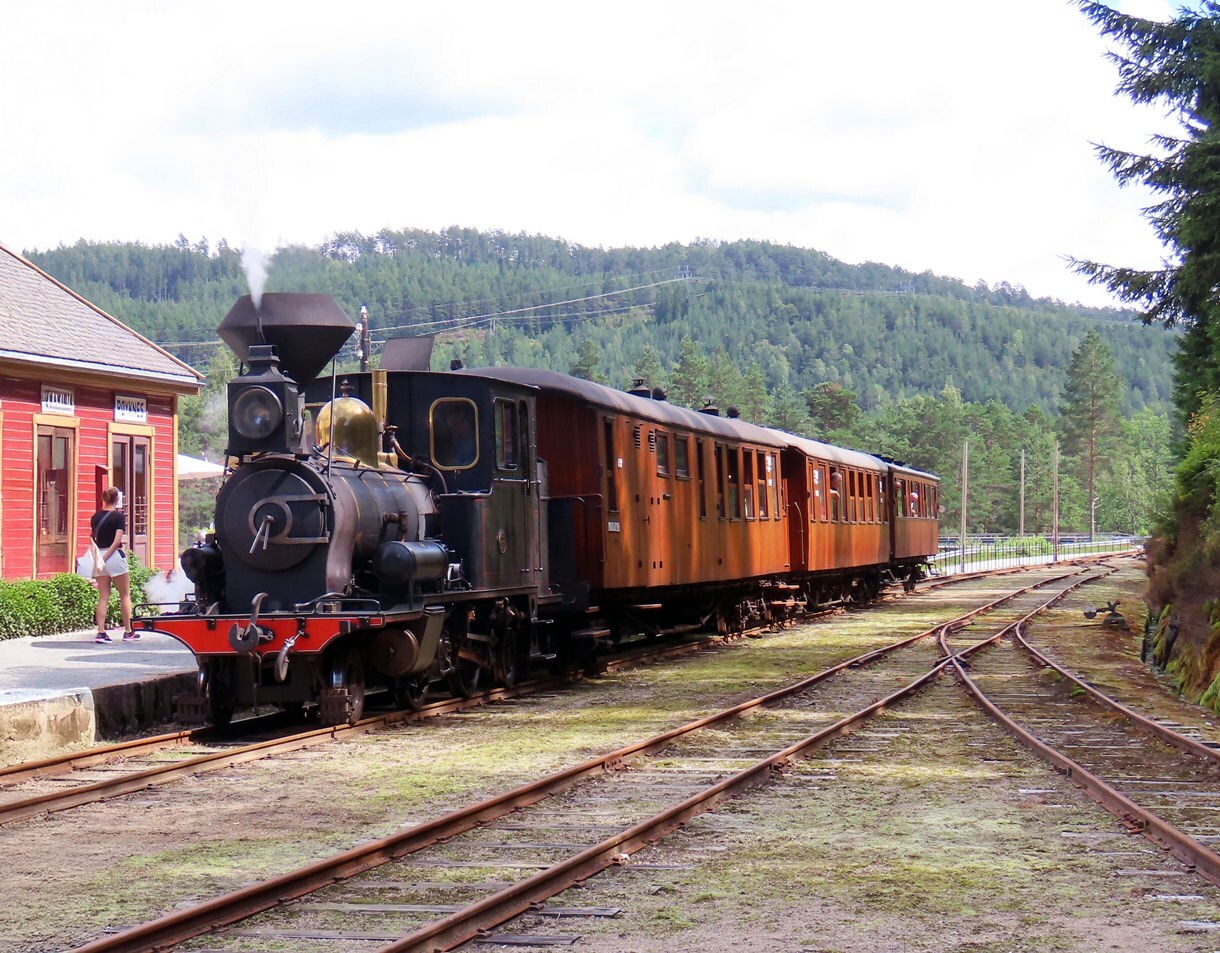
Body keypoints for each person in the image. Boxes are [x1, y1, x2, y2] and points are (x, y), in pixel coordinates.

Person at [91, 487, 136, 643]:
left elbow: (93, 539)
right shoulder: (118, 517)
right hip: (114, 556)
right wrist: (106, 557)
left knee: (103, 596)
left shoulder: (95, 516)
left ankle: (101, 632)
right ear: (117, 499)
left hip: (99, 556)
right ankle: (128, 631)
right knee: (124, 595)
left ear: (104, 498)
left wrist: (99, 559)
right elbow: (117, 540)